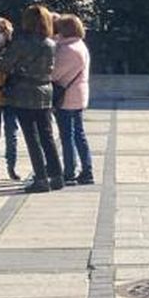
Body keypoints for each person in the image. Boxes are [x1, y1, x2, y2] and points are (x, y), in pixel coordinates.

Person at [0, 4, 63, 193]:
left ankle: (40, 178)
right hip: (45, 90)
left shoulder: (22, 42)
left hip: (24, 91)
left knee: (31, 136)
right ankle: (56, 175)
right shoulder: (50, 43)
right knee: (47, 135)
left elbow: (5, 65)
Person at [51, 13, 95, 185]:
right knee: (79, 134)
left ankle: (69, 171)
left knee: (67, 136)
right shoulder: (80, 45)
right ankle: (87, 169)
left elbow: (55, 74)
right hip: (78, 95)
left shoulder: (67, 50)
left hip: (67, 97)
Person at [0, 16, 21, 182]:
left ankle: (12, 167)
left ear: (6, 33)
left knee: (11, 133)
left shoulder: (14, 49)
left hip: (11, 95)